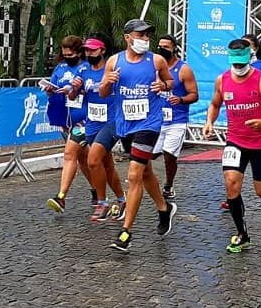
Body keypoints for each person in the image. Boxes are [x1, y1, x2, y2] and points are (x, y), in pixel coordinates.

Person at [202, 39, 261, 254]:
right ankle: (242, 234)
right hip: (235, 141)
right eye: (235, 64)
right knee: (231, 183)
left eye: (242, 63)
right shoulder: (222, 80)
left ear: (249, 58)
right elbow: (214, 104)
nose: (238, 68)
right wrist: (209, 121)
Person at [101, 19, 178, 252]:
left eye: (147, 36)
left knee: (134, 173)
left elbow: (170, 81)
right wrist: (107, 82)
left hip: (149, 123)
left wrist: (162, 86)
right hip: (126, 123)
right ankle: (164, 209)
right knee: (145, 172)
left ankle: (125, 232)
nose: (145, 40)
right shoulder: (114, 62)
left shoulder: (156, 60)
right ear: (127, 37)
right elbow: (104, 92)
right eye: (140, 35)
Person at [76, 35, 128, 222]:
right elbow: (76, 96)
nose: (89, 53)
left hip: (112, 120)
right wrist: (74, 88)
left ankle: (102, 203)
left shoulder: (113, 68)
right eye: (87, 50)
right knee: (106, 165)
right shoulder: (83, 70)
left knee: (92, 160)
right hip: (92, 122)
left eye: (93, 50)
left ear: (102, 50)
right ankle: (122, 200)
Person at [45, 36, 96, 212]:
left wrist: (76, 89)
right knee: (83, 160)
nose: (67, 56)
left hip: (85, 119)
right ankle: (98, 190)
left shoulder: (87, 68)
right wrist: (50, 90)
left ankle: (61, 197)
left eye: (71, 54)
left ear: (79, 52)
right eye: (65, 54)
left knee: (69, 154)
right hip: (66, 120)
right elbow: (54, 87)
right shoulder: (60, 68)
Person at [156, 35, 199, 200]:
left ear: (174, 48)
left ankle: (168, 185)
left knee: (169, 155)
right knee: (148, 154)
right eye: (160, 46)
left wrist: (180, 99)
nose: (162, 49)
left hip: (177, 120)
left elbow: (194, 95)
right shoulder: (155, 67)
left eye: (166, 46)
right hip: (156, 119)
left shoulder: (183, 69)